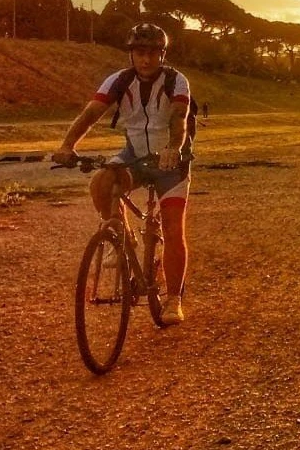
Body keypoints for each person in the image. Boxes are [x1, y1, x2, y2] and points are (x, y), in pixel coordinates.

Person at [52, 24, 195, 324]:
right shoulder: (119, 80)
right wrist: (67, 145)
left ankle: (173, 300)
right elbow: (91, 113)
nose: (146, 60)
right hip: (135, 154)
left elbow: (179, 118)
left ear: (162, 55)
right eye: (140, 53)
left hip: (171, 160)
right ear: (131, 54)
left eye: (153, 54)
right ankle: (121, 237)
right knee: (102, 182)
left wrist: (173, 148)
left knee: (172, 230)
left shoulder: (176, 80)